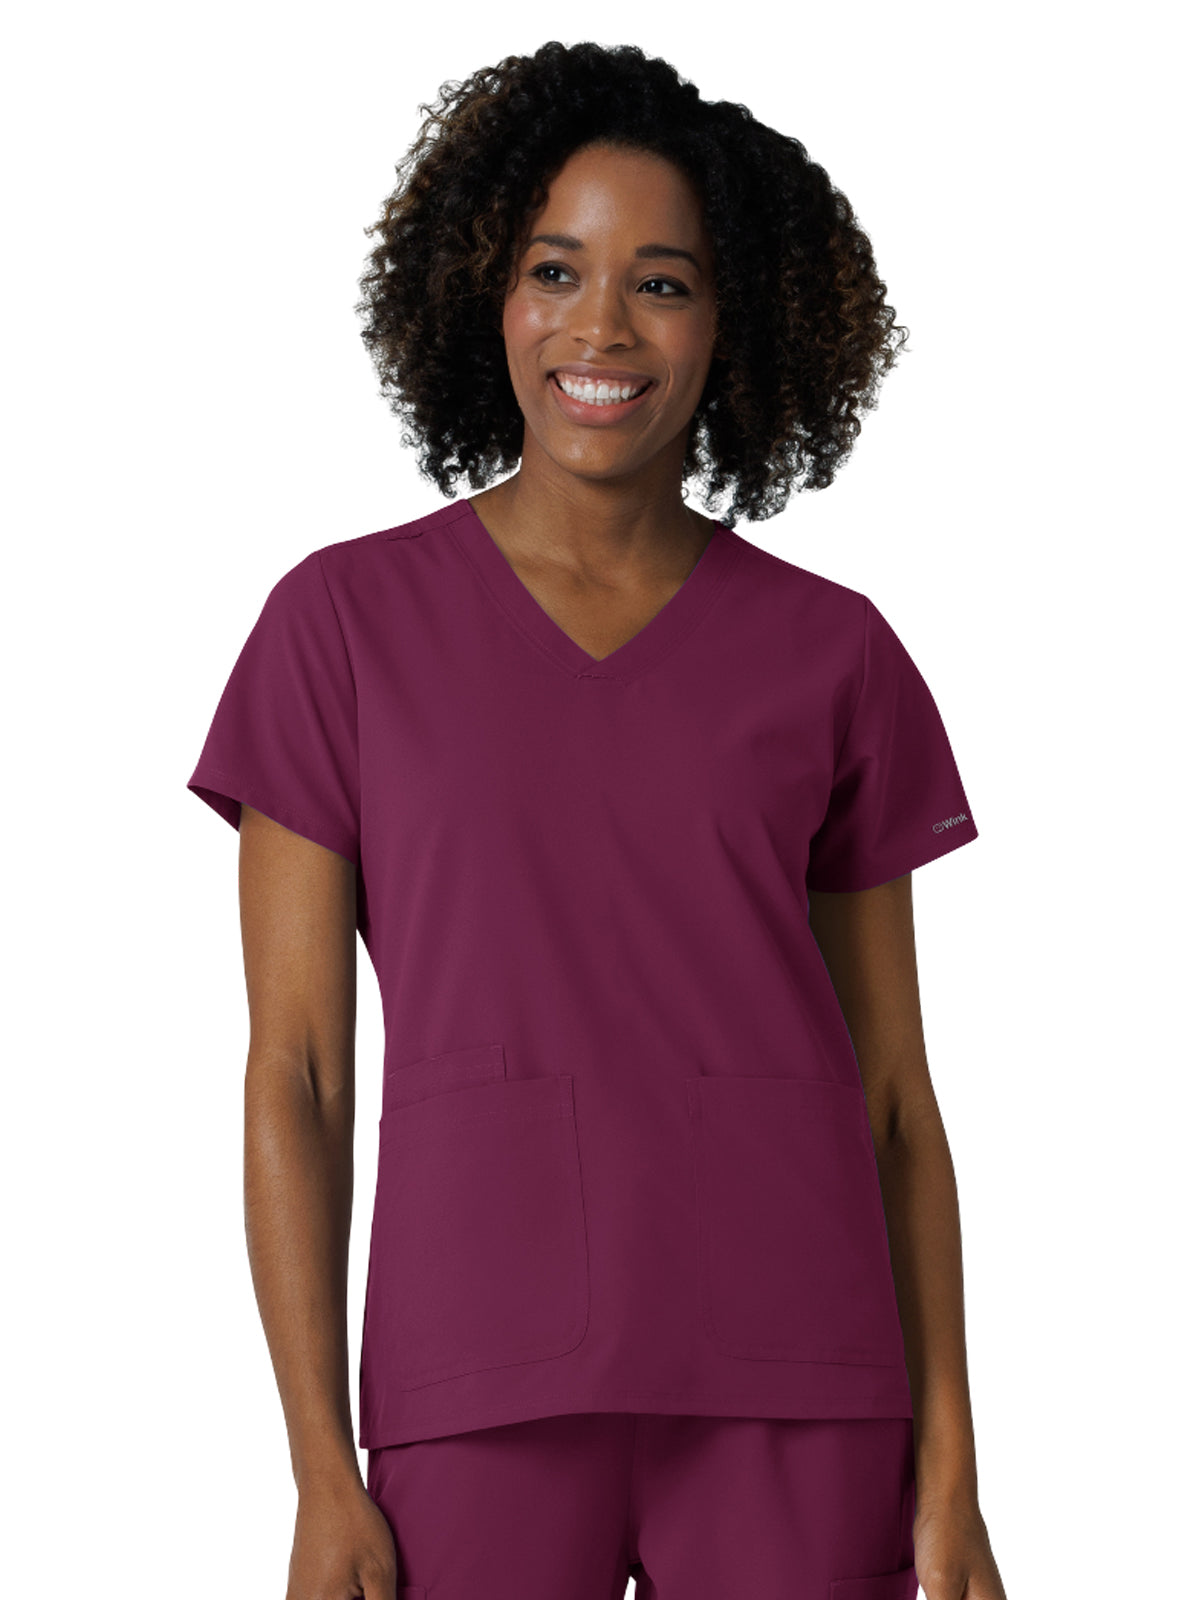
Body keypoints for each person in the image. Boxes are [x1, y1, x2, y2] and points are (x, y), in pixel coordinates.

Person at [186, 39, 1007, 1600]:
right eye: (555, 270)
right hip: (473, 1382)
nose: (602, 327)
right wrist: (317, 1469)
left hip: (801, 1378)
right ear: (483, 296)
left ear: (733, 320)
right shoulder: (338, 630)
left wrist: (954, 1478)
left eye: (664, 284)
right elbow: (296, 1073)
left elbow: (898, 1100)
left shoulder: (834, 654)